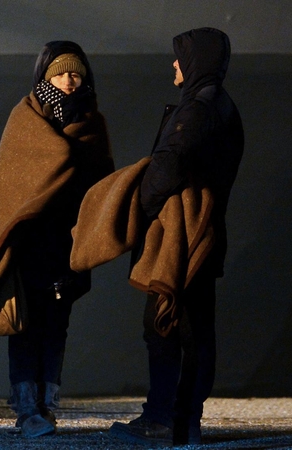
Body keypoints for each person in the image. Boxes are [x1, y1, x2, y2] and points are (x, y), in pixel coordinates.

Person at [0, 41, 114, 437]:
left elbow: (102, 184)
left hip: (70, 244)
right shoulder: (26, 119)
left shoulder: (92, 123)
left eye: (76, 72)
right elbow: (9, 183)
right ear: (46, 77)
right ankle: (26, 407)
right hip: (29, 243)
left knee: (57, 325)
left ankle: (48, 405)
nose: (69, 79)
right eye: (61, 72)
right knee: (25, 326)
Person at [108, 27, 244, 446]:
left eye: (180, 57)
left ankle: (165, 420)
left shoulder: (198, 110)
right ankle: (183, 420)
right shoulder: (221, 106)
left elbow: (168, 167)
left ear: (195, 62)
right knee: (193, 328)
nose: (174, 64)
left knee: (168, 327)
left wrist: (142, 208)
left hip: (183, 239)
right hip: (204, 235)